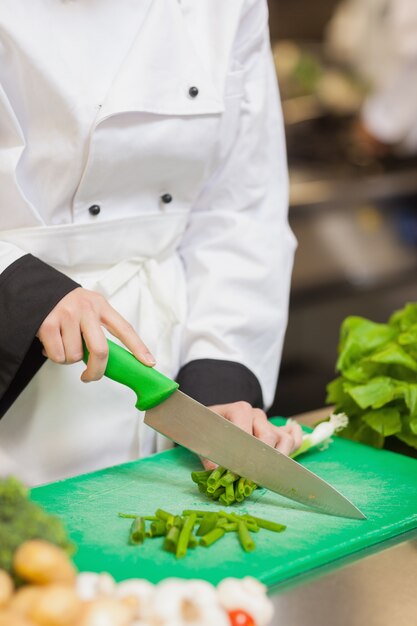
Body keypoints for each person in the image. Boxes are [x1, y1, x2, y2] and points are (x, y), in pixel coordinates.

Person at [0, 0, 302, 486]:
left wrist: (219, 380)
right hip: (13, 363)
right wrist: (17, 286)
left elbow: (240, 209)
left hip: (165, 361)